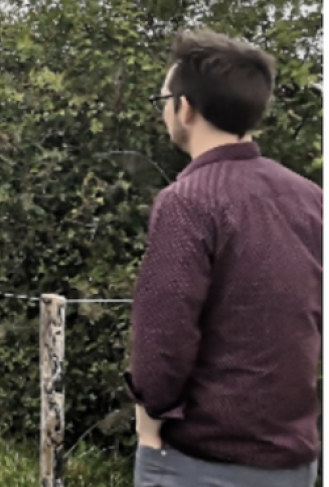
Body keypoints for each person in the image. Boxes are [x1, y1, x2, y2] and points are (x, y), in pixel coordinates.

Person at [126, 30, 321, 486]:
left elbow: (164, 338)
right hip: (295, 458)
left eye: (163, 99)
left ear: (185, 107)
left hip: (201, 459)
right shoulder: (312, 198)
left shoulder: (187, 201)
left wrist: (150, 419)